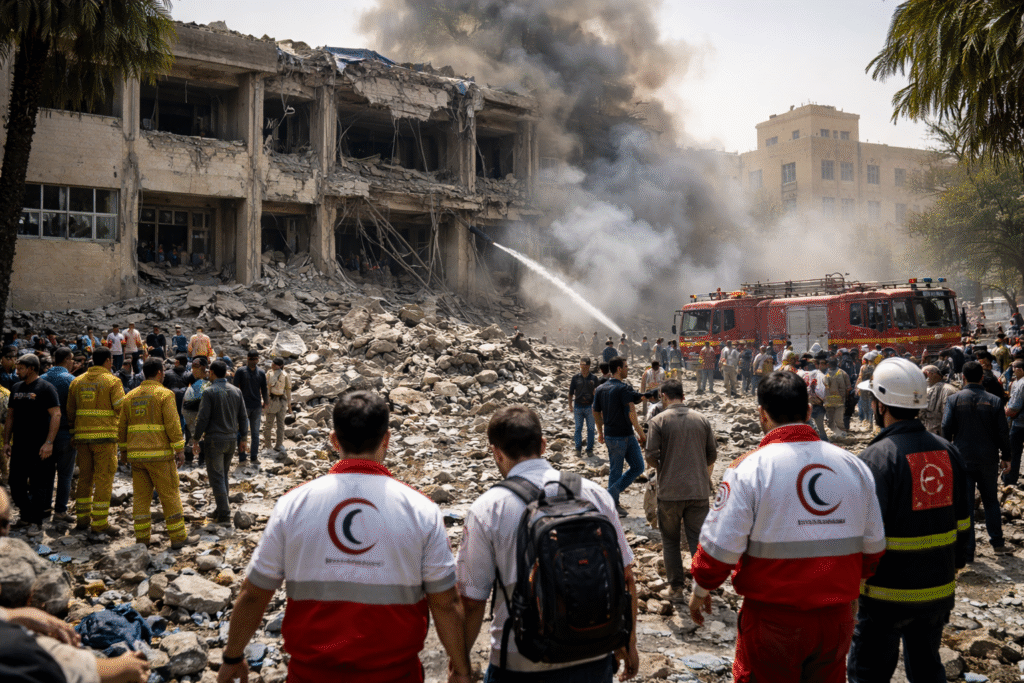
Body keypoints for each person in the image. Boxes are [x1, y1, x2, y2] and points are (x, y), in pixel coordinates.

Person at [217, 391, 472, 683]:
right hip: (395, 675)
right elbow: (446, 603)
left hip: (310, 675)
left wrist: (233, 656)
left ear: (334, 440)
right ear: (386, 440)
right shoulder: (422, 510)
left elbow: (253, 594)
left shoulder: (293, 504)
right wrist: (462, 669)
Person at [689, 371, 886, 683]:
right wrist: (846, 587)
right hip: (836, 622)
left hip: (772, 621)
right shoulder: (853, 466)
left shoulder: (748, 469)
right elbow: (874, 549)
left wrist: (701, 588)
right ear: (808, 412)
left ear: (762, 415)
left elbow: (718, 550)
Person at [454, 405, 639, 681]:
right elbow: (626, 577)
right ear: (542, 444)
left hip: (519, 661)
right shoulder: (593, 493)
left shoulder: (487, 509)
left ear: (496, 452)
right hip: (592, 654)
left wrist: (460, 666)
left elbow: (471, 601)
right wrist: (629, 643)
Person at [848, 357, 970, 682]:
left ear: (879, 405)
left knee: (867, 673)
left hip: (886, 596)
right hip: (937, 590)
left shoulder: (876, 458)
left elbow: (863, 532)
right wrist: (956, 560)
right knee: (927, 668)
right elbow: (963, 519)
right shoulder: (947, 451)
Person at [644, 380, 716, 600]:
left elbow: (649, 455)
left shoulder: (658, 421)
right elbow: (712, 455)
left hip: (670, 493)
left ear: (664, 396)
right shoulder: (702, 420)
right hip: (698, 491)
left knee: (670, 540)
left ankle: (676, 589)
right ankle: (701, 588)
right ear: (683, 396)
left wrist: (664, 467)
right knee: (697, 540)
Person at [118, 358, 197, 549]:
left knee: (141, 498)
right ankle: (178, 537)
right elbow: (172, 424)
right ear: (160, 373)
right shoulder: (164, 395)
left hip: (137, 457)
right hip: (160, 455)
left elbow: (122, 427)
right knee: (169, 494)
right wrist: (180, 449)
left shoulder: (130, 396)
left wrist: (124, 452)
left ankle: (142, 539)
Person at [942, 361, 1013, 558]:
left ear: (963, 378)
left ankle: (968, 549)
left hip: (961, 458)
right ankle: (998, 544)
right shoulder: (994, 401)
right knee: (991, 501)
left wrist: (946, 455)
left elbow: (946, 429)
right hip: (988, 459)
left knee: (965, 505)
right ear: (982, 377)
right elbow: (1002, 432)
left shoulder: (954, 399)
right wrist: (1006, 457)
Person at [67, 347, 124, 536]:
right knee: (103, 480)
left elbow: (70, 411)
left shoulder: (77, 382)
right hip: (105, 439)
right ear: (108, 361)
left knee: (85, 478)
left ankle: (82, 519)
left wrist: (74, 433)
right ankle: (99, 523)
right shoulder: (113, 381)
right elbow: (120, 409)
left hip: (82, 439)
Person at [3, 354, 61, 528]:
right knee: (15, 484)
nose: (17, 371)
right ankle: (26, 514)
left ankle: (35, 522)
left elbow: (56, 414)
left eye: (21, 368)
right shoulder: (16, 388)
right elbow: (10, 417)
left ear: (32, 369)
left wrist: (49, 443)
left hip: (40, 447)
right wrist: (6, 442)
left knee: (38, 486)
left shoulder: (46, 388)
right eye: (17, 368)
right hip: (19, 446)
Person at [193, 360, 248, 524]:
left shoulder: (209, 392)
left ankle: (224, 514)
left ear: (211, 373)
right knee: (222, 474)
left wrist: (195, 439)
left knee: (216, 477)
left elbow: (202, 418)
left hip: (214, 440)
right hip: (231, 439)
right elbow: (243, 417)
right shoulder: (236, 391)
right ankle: (220, 507)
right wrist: (244, 438)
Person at [593, 356, 646, 518]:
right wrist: (641, 433)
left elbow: (595, 411)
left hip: (622, 435)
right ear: (618, 369)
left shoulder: (601, 388)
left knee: (638, 467)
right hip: (619, 436)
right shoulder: (623, 388)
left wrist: (601, 431)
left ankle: (610, 495)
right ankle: (611, 503)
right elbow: (632, 411)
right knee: (617, 470)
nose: (627, 369)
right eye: (626, 366)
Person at [40, 347, 76, 524]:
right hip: (65, 434)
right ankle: (60, 511)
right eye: (72, 360)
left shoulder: (41, 379)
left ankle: (45, 508)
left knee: (46, 473)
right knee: (65, 475)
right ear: (67, 360)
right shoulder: (71, 380)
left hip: (44, 435)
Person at [233, 350, 267, 463]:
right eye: (251, 359)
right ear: (247, 359)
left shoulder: (261, 373)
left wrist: (266, 401)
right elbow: (235, 388)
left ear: (258, 359)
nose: (253, 361)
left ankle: (254, 456)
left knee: (255, 434)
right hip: (243, 407)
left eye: (255, 359)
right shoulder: (240, 371)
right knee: (242, 432)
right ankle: (242, 457)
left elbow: (264, 389)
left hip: (257, 406)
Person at [182, 356, 211, 468]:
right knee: (191, 435)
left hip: (197, 413)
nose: (193, 370)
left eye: (196, 367)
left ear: (203, 368)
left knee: (197, 435)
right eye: (192, 367)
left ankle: (200, 460)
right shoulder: (197, 382)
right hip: (191, 413)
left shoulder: (205, 384)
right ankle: (195, 459)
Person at [568, 357, 598, 457]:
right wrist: (570, 405)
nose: (583, 367)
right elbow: (571, 392)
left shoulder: (594, 378)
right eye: (581, 365)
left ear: (589, 366)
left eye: (585, 365)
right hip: (578, 406)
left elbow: (597, 393)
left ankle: (589, 449)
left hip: (590, 407)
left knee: (590, 429)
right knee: (578, 428)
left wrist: (598, 406)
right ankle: (578, 449)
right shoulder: (575, 378)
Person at [263, 357, 293, 453]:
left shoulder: (285, 375)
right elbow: (265, 388)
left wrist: (289, 406)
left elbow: (288, 391)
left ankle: (279, 444)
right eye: (273, 363)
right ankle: (268, 445)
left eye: (275, 364)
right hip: (272, 400)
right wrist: (265, 401)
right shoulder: (269, 373)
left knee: (280, 424)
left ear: (280, 366)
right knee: (269, 424)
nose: (273, 365)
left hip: (281, 401)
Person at [920, 365, 957, 435]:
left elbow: (948, 418)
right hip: (929, 434)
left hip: (938, 434)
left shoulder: (948, 390)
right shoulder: (923, 390)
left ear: (930, 373)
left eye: (924, 375)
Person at [1004, 360, 1024, 485]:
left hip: (1018, 423)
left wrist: (1005, 411)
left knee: (1013, 453)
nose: (1012, 369)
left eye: (1014, 367)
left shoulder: (1021, 383)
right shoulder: (1017, 382)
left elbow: (1014, 407)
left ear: (1020, 369)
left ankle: (1010, 480)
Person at [822, 357, 850, 438]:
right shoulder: (842, 373)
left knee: (834, 420)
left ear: (828, 365)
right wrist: (846, 397)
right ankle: (839, 433)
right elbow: (848, 387)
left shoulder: (825, 374)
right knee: (836, 420)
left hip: (832, 401)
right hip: (838, 401)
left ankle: (840, 433)